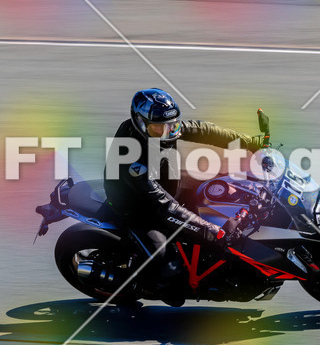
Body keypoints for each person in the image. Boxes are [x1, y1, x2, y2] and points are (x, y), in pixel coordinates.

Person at [104, 88, 265, 306]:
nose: (168, 132)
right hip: (139, 206)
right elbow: (162, 204)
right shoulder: (131, 160)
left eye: (173, 125)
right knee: (165, 261)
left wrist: (248, 142)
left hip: (164, 180)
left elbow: (203, 129)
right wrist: (208, 229)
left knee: (222, 186)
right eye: (159, 128)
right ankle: (158, 287)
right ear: (140, 123)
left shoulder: (161, 127)